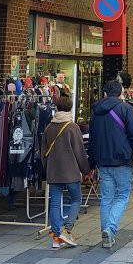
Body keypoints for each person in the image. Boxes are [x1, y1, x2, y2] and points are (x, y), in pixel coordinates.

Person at [88, 79, 133, 248]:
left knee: (106, 199)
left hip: (103, 162)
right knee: (122, 196)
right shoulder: (125, 109)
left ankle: (106, 235)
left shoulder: (95, 112)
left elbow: (92, 140)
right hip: (122, 160)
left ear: (105, 94)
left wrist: (91, 164)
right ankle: (110, 229)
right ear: (120, 93)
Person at [43, 96, 90, 250]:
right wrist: (86, 169)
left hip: (54, 171)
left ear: (56, 108)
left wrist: (47, 169)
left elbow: (43, 152)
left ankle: (56, 238)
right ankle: (67, 230)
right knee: (76, 199)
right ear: (70, 108)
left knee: (55, 203)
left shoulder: (48, 128)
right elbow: (79, 151)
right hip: (70, 171)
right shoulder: (72, 127)